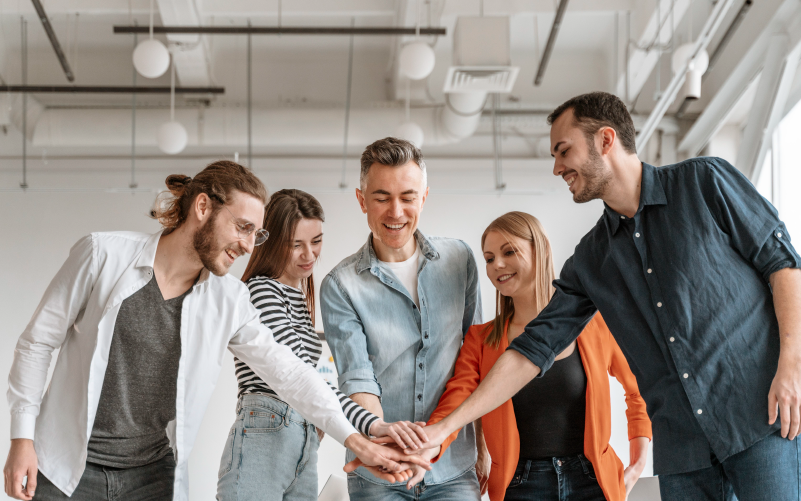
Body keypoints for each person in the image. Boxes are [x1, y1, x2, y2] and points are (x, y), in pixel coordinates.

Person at [406, 92, 801, 501]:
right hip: (685, 453)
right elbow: (531, 350)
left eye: (564, 151)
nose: (557, 167)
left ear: (606, 140)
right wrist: (440, 431)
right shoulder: (593, 259)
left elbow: (783, 264)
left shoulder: (704, 183)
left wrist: (792, 365)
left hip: (762, 419)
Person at [3, 161, 429, 501]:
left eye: (256, 233)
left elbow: (292, 375)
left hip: (152, 476)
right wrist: (22, 438)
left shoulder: (228, 299)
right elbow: (38, 342)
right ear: (203, 208)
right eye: (243, 228)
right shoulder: (102, 255)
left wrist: (361, 436)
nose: (249, 245)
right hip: (67, 465)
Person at [416, 211, 651, 501]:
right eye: (489, 258)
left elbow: (640, 387)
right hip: (521, 485)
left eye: (509, 252)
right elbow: (457, 401)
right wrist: (430, 441)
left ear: (539, 249)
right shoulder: (480, 340)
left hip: (593, 481)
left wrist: (638, 461)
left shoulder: (592, 322)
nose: (496, 265)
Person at [217, 189, 428, 500]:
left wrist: (371, 427)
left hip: (300, 431)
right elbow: (300, 376)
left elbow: (311, 385)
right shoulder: (263, 290)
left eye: (316, 241)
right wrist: (370, 426)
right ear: (273, 242)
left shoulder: (297, 298)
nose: (309, 255)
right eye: (296, 245)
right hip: (267, 427)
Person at [321, 138, 486, 500]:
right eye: (381, 197)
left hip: (453, 468)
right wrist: (388, 446)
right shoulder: (340, 284)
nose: (396, 211)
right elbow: (357, 377)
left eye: (407, 197)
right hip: (380, 472)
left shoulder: (460, 261)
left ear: (424, 197)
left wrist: (484, 449)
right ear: (362, 200)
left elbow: (476, 363)